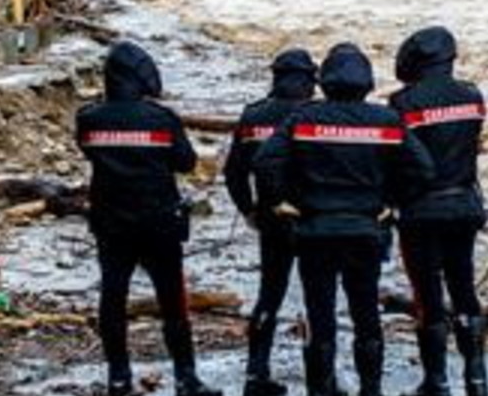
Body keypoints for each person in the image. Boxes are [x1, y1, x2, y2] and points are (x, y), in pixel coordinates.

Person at [255, 43, 435, 396]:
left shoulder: (304, 118)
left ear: (324, 81)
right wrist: (393, 202)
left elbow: (265, 161)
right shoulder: (385, 120)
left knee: (320, 318)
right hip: (365, 232)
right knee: (366, 316)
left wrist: (279, 202)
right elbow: (424, 169)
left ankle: (320, 391)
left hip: (315, 232)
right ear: (367, 81)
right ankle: (371, 390)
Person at [76, 42, 222, 396]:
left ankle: (119, 376)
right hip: (159, 223)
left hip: (111, 224)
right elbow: (186, 162)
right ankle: (186, 378)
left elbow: (87, 149)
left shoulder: (89, 118)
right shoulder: (162, 119)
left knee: (113, 298)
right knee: (173, 301)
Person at [389, 27, 488, 396]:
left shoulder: (403, 104)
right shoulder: (472, 97)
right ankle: (477, 380)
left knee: (428, 295)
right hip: (464, 204)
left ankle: (437, 381)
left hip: (421, 212)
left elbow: (402, 162)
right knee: (464, 289)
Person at [223, 49, 319, 396]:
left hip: (270, 220)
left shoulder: (253, 117)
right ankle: (320, 378)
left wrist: (248, 210)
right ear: (310, 80)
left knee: (269, 295)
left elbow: (233, 173)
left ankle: (255, 373)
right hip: (314, 218)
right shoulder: (317, 115)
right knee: (316, 299)